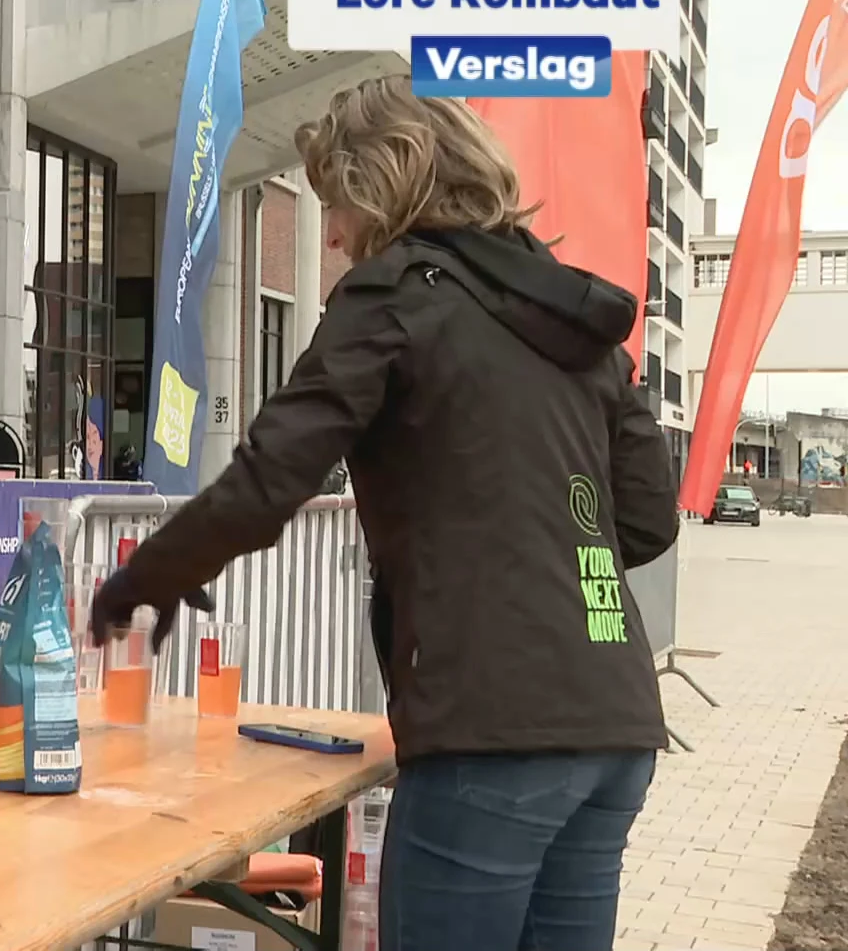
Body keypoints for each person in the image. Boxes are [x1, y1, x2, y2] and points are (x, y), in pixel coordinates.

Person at [88, 77, 678, 951]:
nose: (330, 234)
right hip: (614, 722)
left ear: (387, 186)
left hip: (491, 731)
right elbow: (647, 520)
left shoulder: (396, 294)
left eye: (338, 203)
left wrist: (151, 574)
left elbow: (270, 474)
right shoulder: (577, 316)